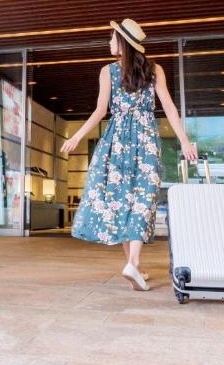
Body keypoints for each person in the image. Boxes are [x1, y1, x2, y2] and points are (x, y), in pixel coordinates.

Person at [60, 19, 198, 291]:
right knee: (142, 200)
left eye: (112, 38)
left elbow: (101, 111)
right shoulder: (154, 70)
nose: (109, 42)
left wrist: (77, 136)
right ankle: (134, 264)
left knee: (123, 200)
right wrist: (184, 141)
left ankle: (133, 264)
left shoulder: (107, 71)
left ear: (122, 43)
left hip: (116, 141)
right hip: (146, 140)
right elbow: (168, 107)